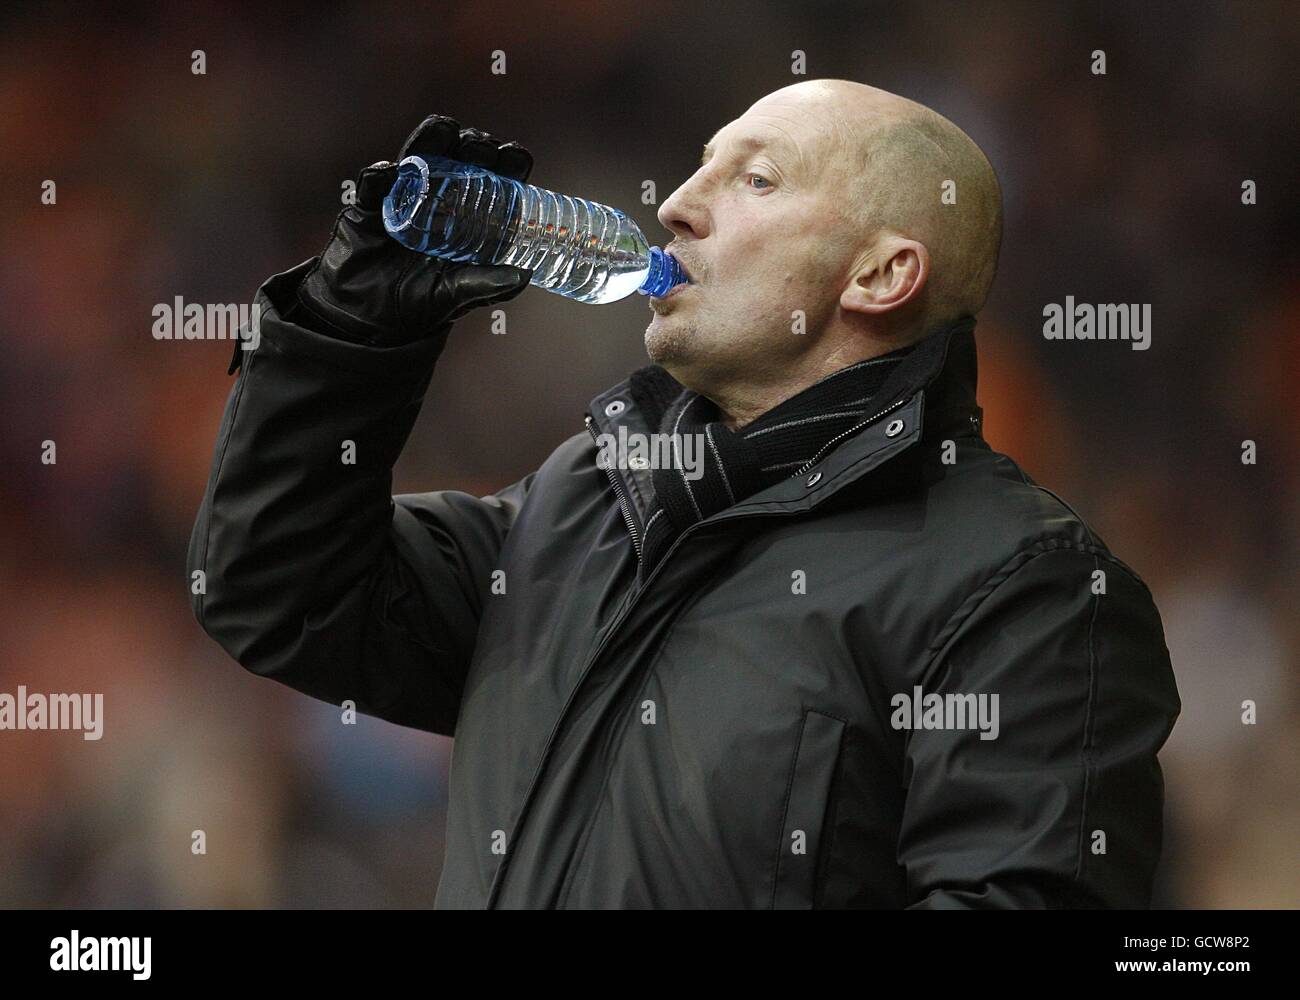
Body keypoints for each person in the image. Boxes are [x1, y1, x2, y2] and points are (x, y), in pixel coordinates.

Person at [187, 79, 1180, 908]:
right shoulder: (586, 500)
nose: (675, 204)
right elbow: (280, 592)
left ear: (880, 275)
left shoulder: (1022, 587)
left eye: (754, 177)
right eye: (701, 163)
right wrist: (348, 334)